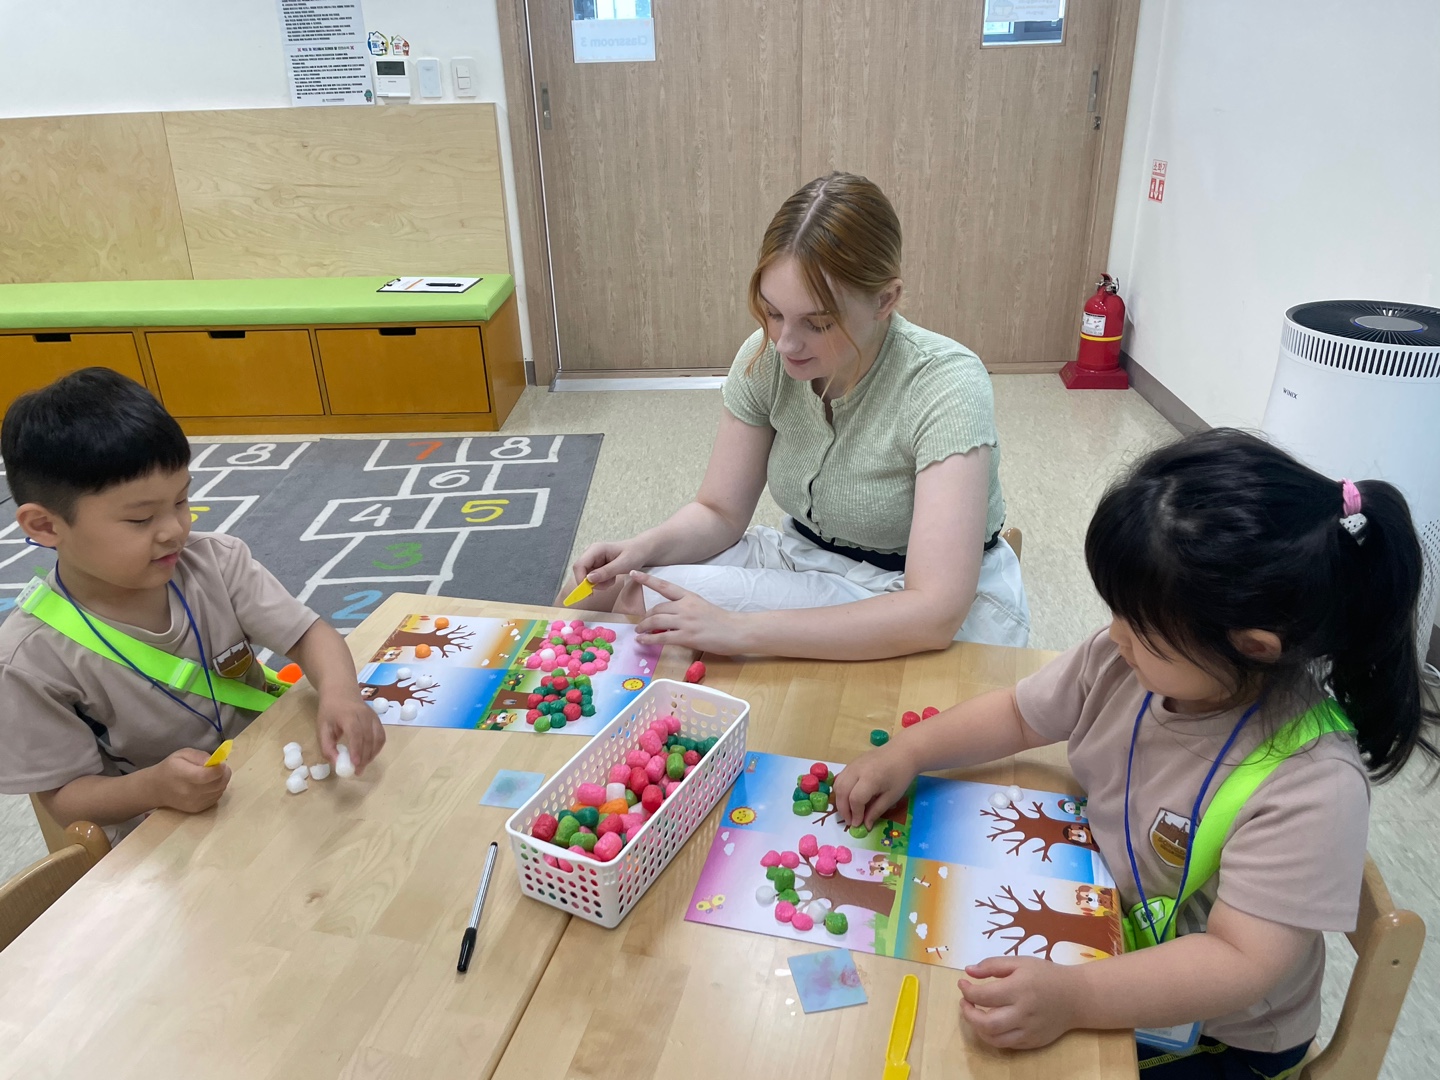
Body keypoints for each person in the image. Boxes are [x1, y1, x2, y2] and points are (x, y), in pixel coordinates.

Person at [833, 428, 1439, 1077]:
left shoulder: (1311, 785)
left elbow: (1239, 962)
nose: (1114, 634)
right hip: (1102, 924)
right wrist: (912, 750)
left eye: (1141, 624)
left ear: (1253, 645)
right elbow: (1017, 713)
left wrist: (1076, 997)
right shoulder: (1126, 662)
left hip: (1215, 1034)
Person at [565, 172, 1029, 659]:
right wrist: (641, 547)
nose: (785, 342)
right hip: (804, 558)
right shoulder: (765, 356)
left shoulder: (945, 383)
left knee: (644, 603)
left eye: (818, 322)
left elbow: (933, 612)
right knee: (602, 594)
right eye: (772, 312)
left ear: (885, 300)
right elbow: (719, 512)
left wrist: (741, 630)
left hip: (910, 593)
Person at [0, 368, 385, 839]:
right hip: (166, 828)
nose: (174, 531)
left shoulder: (215, 563)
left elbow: (309, 636)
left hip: (270, 771)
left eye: (181, 501)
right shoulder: (28, 658)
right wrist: (153, 787)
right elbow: (63, 798)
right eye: (141, 518)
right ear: (43, 526)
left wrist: (341, 694)